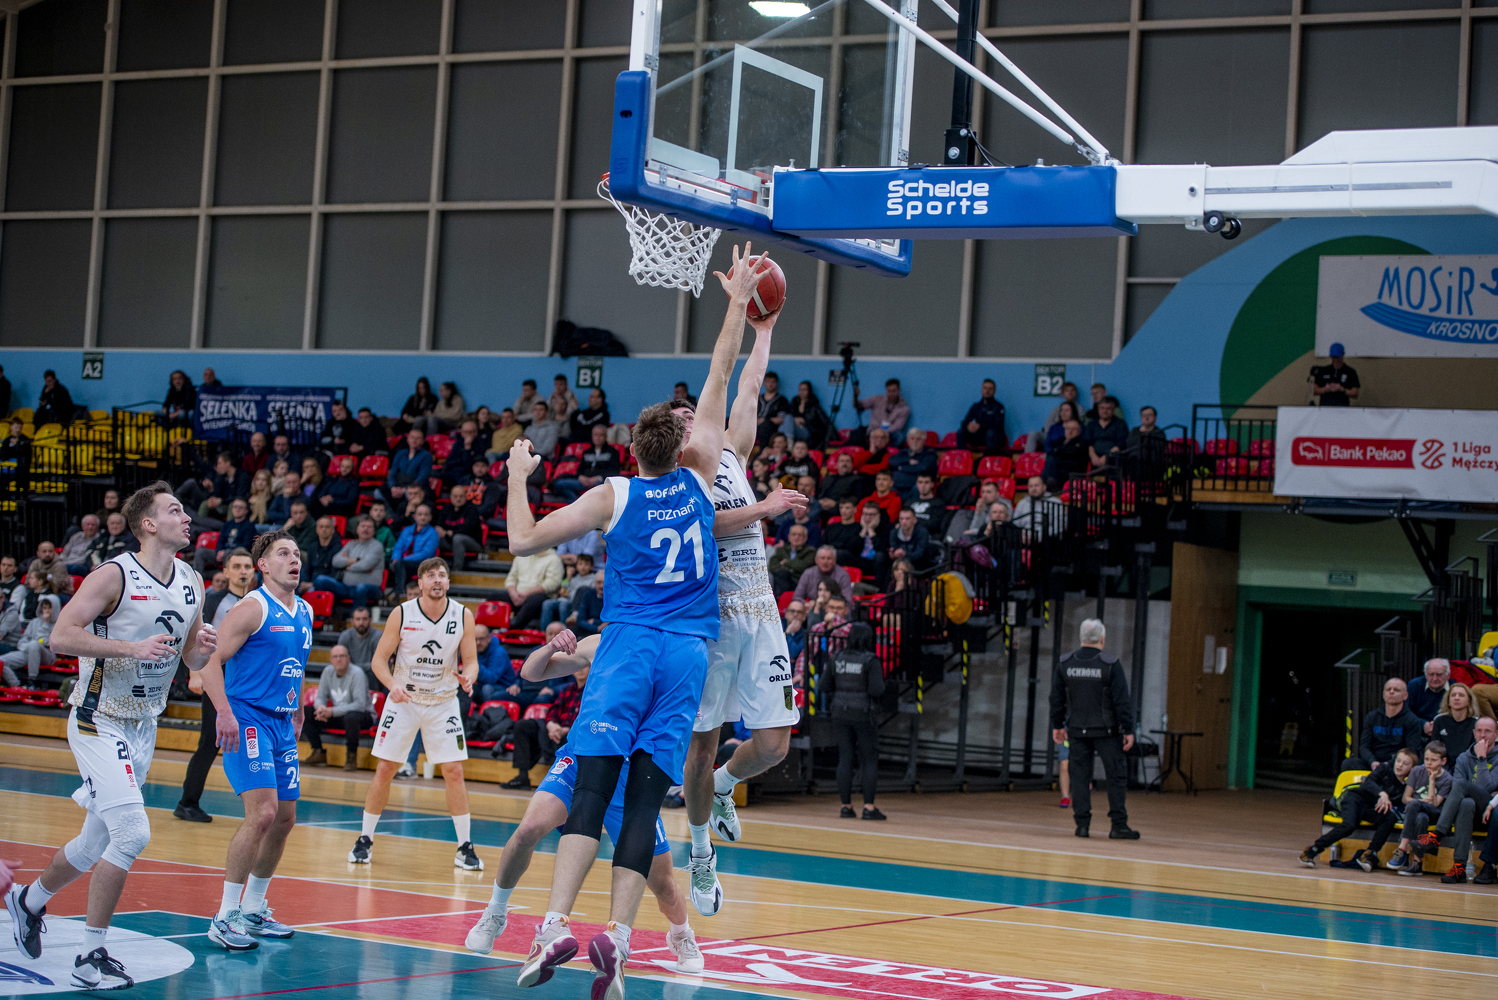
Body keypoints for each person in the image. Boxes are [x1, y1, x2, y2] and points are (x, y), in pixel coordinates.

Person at [503, 244, 771, 994]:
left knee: (591, 791)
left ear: (633, 449)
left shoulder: (614, 495)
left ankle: (553, 926)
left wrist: (520, 476)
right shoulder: (702, 476)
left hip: (628, 647)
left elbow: (522, 540)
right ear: (687, 444)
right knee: (645, 801)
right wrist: (737, 303)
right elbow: (721, 372)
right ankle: (619, 939)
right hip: (687, 653)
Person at [5, 482, 215, 988]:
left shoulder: (192, 580)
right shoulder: (114, 574)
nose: (187, 517)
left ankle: (28, 901)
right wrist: (130, 648)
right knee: (133, 833)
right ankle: (89, 954)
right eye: (175, 510)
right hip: (98, 717)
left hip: (145, 723)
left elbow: (190, 655)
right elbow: (61, 636)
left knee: (92, 842)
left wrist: (202, 650)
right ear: (149, 524)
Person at [466, 626, 706, 975]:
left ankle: (682, 934)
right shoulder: (604, 641)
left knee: (662, 882)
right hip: (583, 757)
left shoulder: (675, 651)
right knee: (528, 829)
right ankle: (495, 911)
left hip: (632, 774)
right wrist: (550, 646)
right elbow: (530, 672)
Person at [672, 312, 810, 918]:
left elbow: (747, 384)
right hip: (713, 619)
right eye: (683, 418)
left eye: (695, 412)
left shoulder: (730, 451)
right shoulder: (678, 474)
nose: (695, 418)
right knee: (700, 750)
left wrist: (765, 329)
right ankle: (701, 852)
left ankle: (727, 785)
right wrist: (765, 507)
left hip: (761, 609)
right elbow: (706, 524)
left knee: (775, 745)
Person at [194, 531, 311, 950]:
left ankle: (254, 908)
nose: (294, 559)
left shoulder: (305, 610)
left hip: (282, 721)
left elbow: (296, 665)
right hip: (248, 718)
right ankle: (225, 915)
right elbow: (207, 660)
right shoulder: (251, 608)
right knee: (262, 814)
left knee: (284, 819)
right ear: (263, 565)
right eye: (283, 553)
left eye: (296, 553)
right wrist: (224, 713)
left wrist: (298, 709)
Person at [349, 558, 481, 870]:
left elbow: (472, 661)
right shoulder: (402, 613)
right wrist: (392, 685)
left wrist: (469, 677)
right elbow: (379, 660)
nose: (437, 580)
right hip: (404, 699)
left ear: (448, 582)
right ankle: (365, 839)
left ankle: (465, 847)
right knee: (385, 768)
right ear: (419, 583)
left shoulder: (463, 614)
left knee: (454, 771)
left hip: (443, 701)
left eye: (442, 575)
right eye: (431, 576)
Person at [176, 548, 256, 824]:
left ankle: (258, 808)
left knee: (251, 741)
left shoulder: (258, 602)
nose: (243, 571)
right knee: (210, 742)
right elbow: (195, 636)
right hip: (217, 677)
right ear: (226, 571)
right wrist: (195, 674)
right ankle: (187, 802)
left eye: (247, 566)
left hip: (246, 680)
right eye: (237, 566)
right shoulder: (214, 601)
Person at [1049, 618, 1139, 840]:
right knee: (1116, 777)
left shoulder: (1065, 664)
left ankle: (1082, 826)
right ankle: (1118, 826)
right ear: (1102, 639)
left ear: (1081, 638)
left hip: (1077, 730)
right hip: (1108, 732)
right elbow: (1122, 701)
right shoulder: (1110, 664)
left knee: (1079, 777)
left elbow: (1056, 699)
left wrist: (1057, 725)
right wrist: (1128, 729)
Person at [1413, 715, 1497, 884]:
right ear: (1474, 733)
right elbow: (1457, 791)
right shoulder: (1463, 758)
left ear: (1496, 734)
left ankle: (1436, 835)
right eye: (1479, 731)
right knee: (1466, 803)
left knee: (1463, 786)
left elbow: (1487, 787)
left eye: (1488, 731)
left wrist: (1482, 758)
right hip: (1469, 814)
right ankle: (1459, 867)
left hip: (1492, 815)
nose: (1483, 735)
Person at [1298, 747, 1414, 868]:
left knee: (1390, 817)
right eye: (1398, 761)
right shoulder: (1384, 769)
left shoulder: (1406, 787)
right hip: (1355, 799)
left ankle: (1370, 853)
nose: (1400, 765)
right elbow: (1369, 782)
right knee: (1349, 825)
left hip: (1371, 808)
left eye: (1405, 763)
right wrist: (1381, 793)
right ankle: (1313, 850)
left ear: (1412, 769)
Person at [819, 622, 886, 820]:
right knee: (868, 758)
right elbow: (876, 690)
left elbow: (823, 686)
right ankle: (869, 808)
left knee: (845, 757)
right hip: (864, 713)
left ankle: (846, 807)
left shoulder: (837, 658)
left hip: (839, 712)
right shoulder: (870, 660)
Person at [503, 641, 584, 789]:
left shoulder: (592, 692)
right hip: (555, 727)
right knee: (523, 726)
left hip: (574, 732)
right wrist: (551, 724)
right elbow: (554, 709)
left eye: (585, 667)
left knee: (570, 737)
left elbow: (586, 719)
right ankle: (522, 776)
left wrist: (566, 729)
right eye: (579, 667)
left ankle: (561, 780)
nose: (581, 670)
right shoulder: (567, 690)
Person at [303, 644, 372, 771]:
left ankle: (351, 757)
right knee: (306, 712)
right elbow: (321, 696)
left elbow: (359, 705)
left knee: (351, 717)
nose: (338, 659)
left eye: (342, 656)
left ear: (348, 658)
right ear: (330, 659)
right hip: (340, 716)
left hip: (363, 716)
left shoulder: (357, 673)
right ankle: (318, 751)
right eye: (335, 657)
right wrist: (320, 708)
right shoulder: (327, 671)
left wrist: (332, 711)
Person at [1389, 741, 1452, 876]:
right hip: (1416, 813)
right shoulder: (1417, 771)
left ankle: (1402, 847)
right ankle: (1417, 863)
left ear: (1443, 761)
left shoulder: (1447, 779)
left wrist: (1432, 780)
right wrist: (1420, 802)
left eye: (1433, 760)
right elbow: (1405, 798)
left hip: (1435, 814)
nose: (1429, 763)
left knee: (1415, 805)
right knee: (1421, 817)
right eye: (1426, 759)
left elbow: (1434, 804)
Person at [1343, 677, 1423, 772]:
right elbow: (1364, 746)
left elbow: (1411, 751)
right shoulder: (1372, 717)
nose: (1391, 692)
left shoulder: (1412, 720)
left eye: (1396, 690)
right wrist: (1372, 762)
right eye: (1388, 689)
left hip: (1397, 765)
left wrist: (1387, 764)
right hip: (1373, 762)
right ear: (1383, 694)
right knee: (1348, 763)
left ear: (1405, 695)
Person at [314, 515, 385, 608]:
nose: (365, 529)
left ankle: (356, 616)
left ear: (374, 530)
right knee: (320, 580)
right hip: (346, 587)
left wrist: (347, 566)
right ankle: (326, 615)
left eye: (369, 527)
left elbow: (365, 565)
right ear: (357, 529)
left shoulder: (377, 546)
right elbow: (335, 561)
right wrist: (356, 560)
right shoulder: (351, 544)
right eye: (363, 526)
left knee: (361, 588)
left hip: (370, 588)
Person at [554, 423, 621, 502]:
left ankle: (587, 505)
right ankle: (577, 503)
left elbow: (614, 472)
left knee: (604, 487)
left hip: (600, 482)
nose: (597, 438)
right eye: (595, 435)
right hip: (583, 481)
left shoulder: (613, 452)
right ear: (592, 436)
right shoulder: (587, 452)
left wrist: (598, 478)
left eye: (601, 435)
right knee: (559, 484)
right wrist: (580, 477)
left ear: (606, 437)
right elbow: (579, 470)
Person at [503, 543, 564, 629]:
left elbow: (553, 583)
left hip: (541, 596)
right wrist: (513, 594)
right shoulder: (520, 557)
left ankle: (514, 627)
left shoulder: (554, 559)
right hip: (517, 595)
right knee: (495, 597)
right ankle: (490, 629)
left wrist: (527, 594)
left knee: (534, 601)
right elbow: (511, 578)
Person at [0, 597, 54, 689]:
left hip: (48, 655)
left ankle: (31, 680)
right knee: (1, 661)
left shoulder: (58, 624)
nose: (46, 611)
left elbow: (48, 643)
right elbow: (23, 640)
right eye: (44, 608)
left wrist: (46, 623)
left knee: (34, 644)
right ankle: (16, 686)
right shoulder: (34, 622)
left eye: (49, 608)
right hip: (29, 651)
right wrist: (27, 647)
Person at [195, 496, 257, 576]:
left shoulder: (249, 526)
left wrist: (225, 552)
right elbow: (220, 541)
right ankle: (197, 578)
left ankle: (226, 579)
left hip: (238, 555)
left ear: (246, 511)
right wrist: (219, 551)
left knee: (227, 553)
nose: (237, 509)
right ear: (232, 509)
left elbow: (246, 546)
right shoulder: (227, 524)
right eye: (235, 507)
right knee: (200, 551)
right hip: (223, 553)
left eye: (240, 507)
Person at [388, 503, 439, 595]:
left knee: (400, 565)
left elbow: (425, 553)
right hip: (403, 562)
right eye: (420, 514)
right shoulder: (407, 530)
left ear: (430, 517)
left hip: (422, 564)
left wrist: (403, 560)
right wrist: (395, 558)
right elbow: (398, 547)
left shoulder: (433, 533)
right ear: (415, 516)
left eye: (426, 515)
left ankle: (400, 594)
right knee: (387, 563)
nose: (422, 517)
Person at [541, 552, 595, 629]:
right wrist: (568, 576)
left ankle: (565, 631)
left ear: (591, 567)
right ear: (576, 566)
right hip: (566, 600)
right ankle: (545, 631)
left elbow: (588, 595)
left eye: (586, 564)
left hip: (577, 605)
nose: (583, 567)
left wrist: (569, 595)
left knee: (563, 604)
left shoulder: (594, 579)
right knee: (547, 603)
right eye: (580, 564)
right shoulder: (574, 578)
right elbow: (563, 590)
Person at [436, 484, 484, 568]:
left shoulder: (472, 509)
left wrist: (450, 532)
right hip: (449, 541)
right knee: (432, 536)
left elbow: (467, 530)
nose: (458, 499)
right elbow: (439, 526)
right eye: (455, 496)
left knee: (458, 538)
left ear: (466, 497)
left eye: (461, 496)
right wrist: (441, 531)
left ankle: (457, 570)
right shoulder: (446, 508)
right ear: (451, 497)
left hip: (472, 543)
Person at [852, 377, 909, 444]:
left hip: (889, 433)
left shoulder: (904, 408)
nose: (891, 394)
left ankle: (888, 450)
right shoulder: (877, 399)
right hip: (873, 431)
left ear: (898, 390)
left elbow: (897, 427)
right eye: (889, 391)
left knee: (900, 436)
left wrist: (882, 432)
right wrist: (855, 396)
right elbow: (858, 406)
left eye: (893, 391)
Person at [1430, 682, 1477, 760]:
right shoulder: (1439, 721)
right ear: (1448, 700)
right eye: (1453, 695)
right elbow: (1434, 748)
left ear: (1469, 700)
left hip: (1466, 764)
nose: (1456, 698)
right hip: (1443, 763)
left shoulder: (1476, 723)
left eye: (1461, 695)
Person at [386, 428, 432, 503]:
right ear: (408, 439)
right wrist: (392, 487)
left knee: (412, 494)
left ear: (422, 441)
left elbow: (423, 476)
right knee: (379, 492)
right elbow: (392, 472)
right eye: (412, 437)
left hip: (415, 486)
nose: (414, 440)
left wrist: (406, 489)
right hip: (398, 484)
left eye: (417, 438)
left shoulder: (426, 455)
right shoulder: (400, 453)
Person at [769, 523, 816, 596]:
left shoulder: (810, 551)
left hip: (799, 583)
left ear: (805, 538)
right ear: (789, 537)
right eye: (794, 534)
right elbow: (772, 566)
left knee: (783, 574)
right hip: (782, 582)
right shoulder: (781, 550)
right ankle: (780, 598)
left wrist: (785, 562)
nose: (796, 537)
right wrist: (791, 568)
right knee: (781, 574)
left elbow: (802, 567)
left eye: (800, 535)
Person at [960, 379, 1007, 452]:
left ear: (994, 391)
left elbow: (998, 425)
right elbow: (964, 422)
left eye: (990, 389)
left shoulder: (999, 407)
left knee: (990, 433)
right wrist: (969, 426)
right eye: (985, 388)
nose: (987, 391)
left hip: (993, 437)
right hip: (979, 436)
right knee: (961, 432)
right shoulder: (976, 406)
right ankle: (962, 456)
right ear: (982, 390)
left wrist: (980, 426)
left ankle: (990, 457)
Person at [888, 428, 937, 497]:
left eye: (918, 439)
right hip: (897, 484)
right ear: (908, 440)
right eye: (912, 438)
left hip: (915, 485)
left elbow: (923, 467)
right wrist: (908, 461)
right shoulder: (903, 452)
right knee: (886, 485)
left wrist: (901, 467)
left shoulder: (930, 453)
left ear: (924, 441)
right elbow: (892, 461)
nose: (915, 441)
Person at [886, 508, 934, 578]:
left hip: (920, 563)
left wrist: (905, 554)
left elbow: (919, 554)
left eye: (907, 519)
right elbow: (894, 548)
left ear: (915, 520)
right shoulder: (894, 532)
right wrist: (893, 554)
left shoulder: (922, 532)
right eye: (901, 519)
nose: (904, 522)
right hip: (899, 562)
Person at [1043, 419, 1089, 490]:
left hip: (1072, 472)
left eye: (1073, 429)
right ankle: (1050, 486)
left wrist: (1058, 451)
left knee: (1051, 460)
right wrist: (1062, 451)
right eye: (1068, 428)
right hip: (1059, 469)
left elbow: (1073, 452)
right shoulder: (1060, 440)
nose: (1070, 432)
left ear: (1079, 431)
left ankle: (1053, 486)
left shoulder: (1082, 442)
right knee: (1044, 471)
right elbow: (1051, 451)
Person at [1084, 397, 1128, 469]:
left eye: (1108, 408)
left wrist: (1107, 457)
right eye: (1102, 408)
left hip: (1114, 459)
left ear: (1113, 410)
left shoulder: (1120, 424)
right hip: (1094, 459)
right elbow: (1088, 443)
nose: (1105, 411)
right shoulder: (1092, 424)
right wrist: (1093, 456)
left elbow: (1120, 444)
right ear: (1098, 409)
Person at [1311, 341, 1360, 406]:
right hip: (1325, 407)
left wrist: (1342, 389)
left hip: (1342, 407)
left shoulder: (1350, 372)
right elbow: (1314, 391)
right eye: (1334, 357)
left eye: (1338, 357)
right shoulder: (1324, 371)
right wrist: (1326, 389)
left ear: (1342, 355)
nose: (1336, 360)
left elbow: (1355, 393)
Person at [443, 419, 488, 488]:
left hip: (467, 475)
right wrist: (458, 462)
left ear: (476, 432)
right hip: (452, 472)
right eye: (465, 432)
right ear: (462, 433)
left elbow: (468, 466)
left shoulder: (481, 444)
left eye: (470, 432)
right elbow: (448, 462)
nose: (467, 434)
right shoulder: (458, 443)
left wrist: (467, 448)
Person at [1408, 658, 1450, 729]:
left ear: (1448, 675)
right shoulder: (1415, 685)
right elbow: (1407, 712)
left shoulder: (1455, 688)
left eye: (1439, 674)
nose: (1434, 678)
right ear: (1425, 675)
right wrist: (1423, 724)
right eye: (1431, 674)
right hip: (1418, 728)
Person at [338, 605, 381, 673]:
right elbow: (341, 660)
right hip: (351, 674)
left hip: (373, 675)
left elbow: (379, 664)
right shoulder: (345, 636)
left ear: (370, 620)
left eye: (364, 619)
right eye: (358, 619)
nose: (361, 623)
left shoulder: (378, 636)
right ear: (352, 621)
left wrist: (353, 667)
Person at [756, 370, 792, 447]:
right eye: (768, 381)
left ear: (776, 383)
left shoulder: (782, 400)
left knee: (765, 425)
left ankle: (763, 449)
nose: (770, 384)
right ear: (764, 383)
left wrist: (765, 420)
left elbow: (780, 419)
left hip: (771, 428)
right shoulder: (758, 399)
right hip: (754, 426)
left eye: (773, 382)